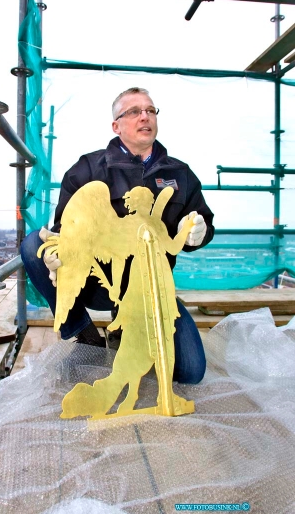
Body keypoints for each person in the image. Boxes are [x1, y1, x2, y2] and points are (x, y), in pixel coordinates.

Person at [21, 87, 214, 383]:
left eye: (150, 110)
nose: (145, 116)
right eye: (134, 111)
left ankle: (127, 330)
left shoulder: (180, 173)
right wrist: (54, 253)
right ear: (117, 125)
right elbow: (63, 230)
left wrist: (199, 232)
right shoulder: (88, 168)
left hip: (150, 292)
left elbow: (200, 224)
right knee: (34, 244)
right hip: (97, 281)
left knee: (189, 371)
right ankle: (84, 334)